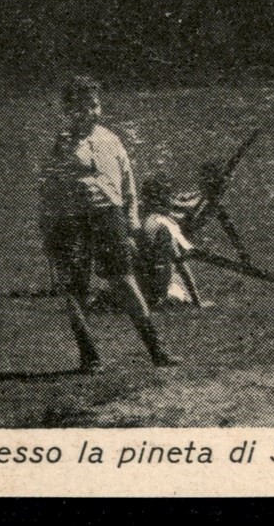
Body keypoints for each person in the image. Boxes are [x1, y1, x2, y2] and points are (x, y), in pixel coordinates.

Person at [37, 76, 181, 370]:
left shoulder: (111, 139)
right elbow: (48, 189)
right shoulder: (60, 145)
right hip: (71, 221)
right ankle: (89, 356)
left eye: (94, 105)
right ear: (68, 110)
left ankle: (157, 350)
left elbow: (127, 183)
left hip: (108, 217)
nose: (89, 112)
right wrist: (49, 230)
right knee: (76, 289)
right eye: (81, 107)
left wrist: (132, 223)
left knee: (125, 280)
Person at [137, 176, 207, 309]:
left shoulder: (138, 219)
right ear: (164, 199)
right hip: (157, 294)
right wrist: (197, 302)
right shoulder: (165, 225)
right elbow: (182, 265)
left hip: (137, 289)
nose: (172, 199)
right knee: (177, 286)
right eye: (169, 196)